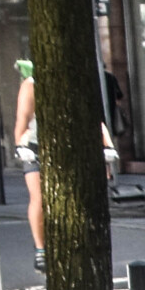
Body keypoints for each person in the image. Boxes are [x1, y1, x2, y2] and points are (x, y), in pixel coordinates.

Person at [14, 59, 117, 271]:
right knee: (39, 198)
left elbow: (95, 119)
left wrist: (107, 146)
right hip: (37, 145)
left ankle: (80, 244)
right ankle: (41, 249)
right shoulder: (32, 85)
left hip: (73, 145)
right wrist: (19, 146)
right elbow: (22, 120)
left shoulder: (77, 83)